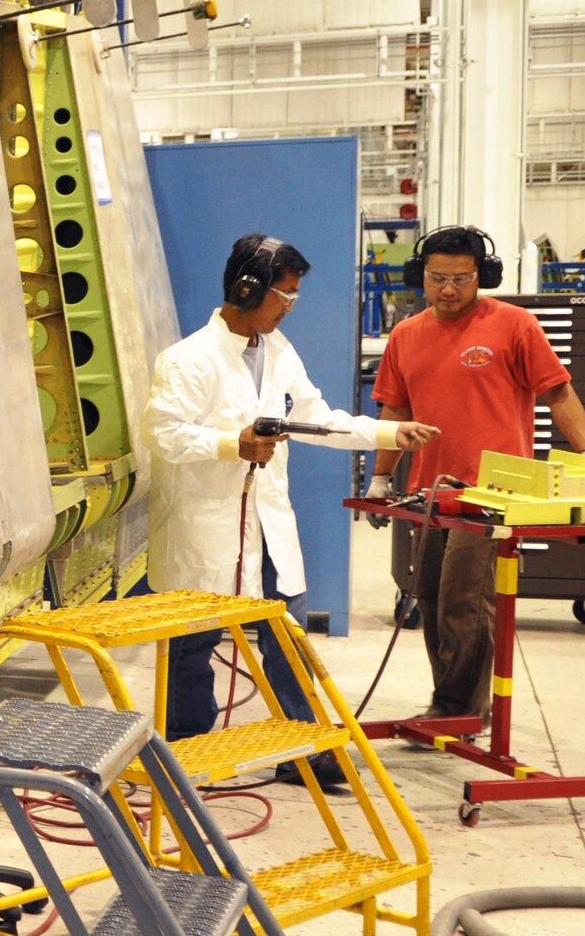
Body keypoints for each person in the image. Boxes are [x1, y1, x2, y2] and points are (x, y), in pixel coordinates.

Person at [144, 235, 438, 761]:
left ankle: (306, 748)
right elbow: (162, 434)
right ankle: (185, 753)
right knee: (192, 647)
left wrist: (389, 434)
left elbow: (316, 419)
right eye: (285, 296)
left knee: (288, 635)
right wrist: (230, 443)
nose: (290, 308)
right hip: (205, 528)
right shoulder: (187, 359)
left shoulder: (278, 352)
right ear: (247, 289)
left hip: (268, 522)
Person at [370, 225, 585, 721]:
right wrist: (381, 479)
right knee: (429, 599)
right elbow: (394, 409)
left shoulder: (514, 325)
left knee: (465, 604)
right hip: (428, 492)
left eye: (461, 279)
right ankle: (454, 705)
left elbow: (557, 393)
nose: (448, 290)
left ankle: (458, 711)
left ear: (483, 277)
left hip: (492, 493)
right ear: (420, 277)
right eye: (437, 279)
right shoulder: (406, 335)